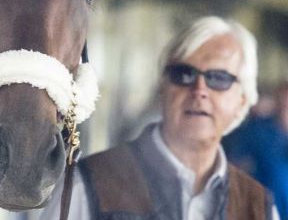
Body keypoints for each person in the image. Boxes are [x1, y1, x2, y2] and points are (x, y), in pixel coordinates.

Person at [38, 16, 279, 219]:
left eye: (218, 78)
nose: (199, 90)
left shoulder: (259, 207)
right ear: (162, 88)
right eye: (183, 74)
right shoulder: (88, 184)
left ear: (243, 100)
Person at [223, 81, 288, 219]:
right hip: (263, 210)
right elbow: (235, 167)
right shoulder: (257, 131)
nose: (285, 111)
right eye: (282, 105)